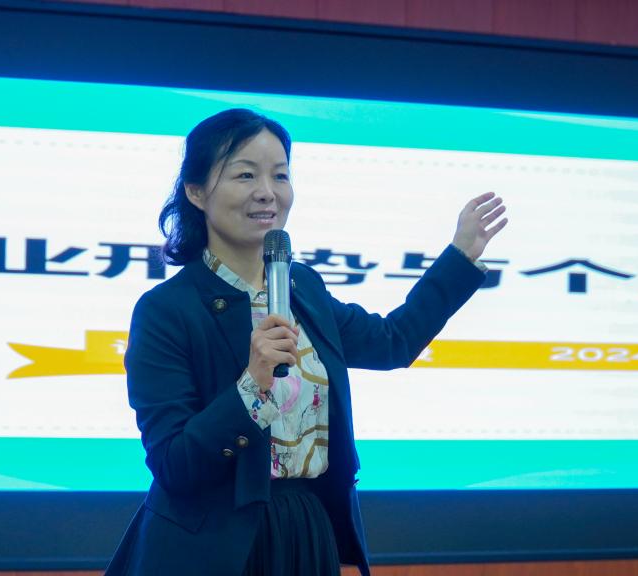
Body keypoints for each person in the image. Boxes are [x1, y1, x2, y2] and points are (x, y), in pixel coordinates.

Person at [105, 108, 507, 576]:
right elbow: (174, 465)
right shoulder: (166, 309)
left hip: (306, 530)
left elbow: (392, 342)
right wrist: (252, 384)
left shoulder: (303, 288)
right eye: (245, 174)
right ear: (196, 192)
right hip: (215, 545)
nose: (267, 192)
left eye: (280, 175)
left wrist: (460, 257)